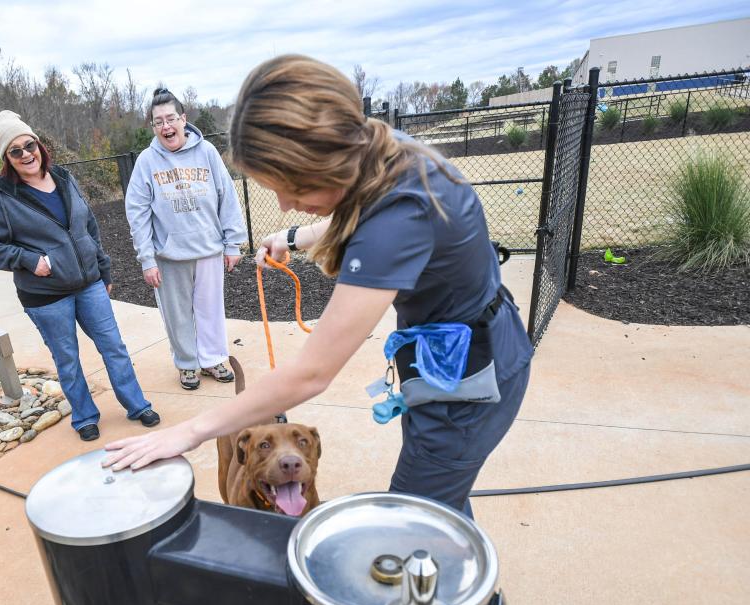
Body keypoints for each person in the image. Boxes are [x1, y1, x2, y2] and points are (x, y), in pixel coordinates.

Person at [104, 56, 533, 518]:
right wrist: (297, 238)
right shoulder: (383, 151)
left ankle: (470, 591)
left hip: (468, 387)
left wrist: (190, 432)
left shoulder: (402, 212)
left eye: (290, 185)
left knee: (416, 521)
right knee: (443, 503)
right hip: (448, 361)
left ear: (323, 158)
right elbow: (360, 211)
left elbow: (312, 373)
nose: (286, 204)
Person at [0, 110, 160, 442]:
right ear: (7, 159)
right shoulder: (3, 198)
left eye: (29, 144)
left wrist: (103, 269)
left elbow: (88, 227)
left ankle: (136, 404)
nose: (26, 154)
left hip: (89, 284)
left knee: (114, 347)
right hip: (46, 297)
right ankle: (85, 416)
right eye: (15, 151)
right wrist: (28, 259)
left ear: (39, 145)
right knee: (68, 359)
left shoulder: (63, 178)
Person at [125, 88, 248, 390]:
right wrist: (147, 259)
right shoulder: (146, 161)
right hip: (169, 255)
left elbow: (227, 198)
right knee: (177, 314)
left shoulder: (206, 153)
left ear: (183, 119)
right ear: (152, 127)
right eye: (158, 122)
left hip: (208, 249)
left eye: (170, 119)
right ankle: (187, 364)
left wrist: (233, 244)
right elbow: (137, 212)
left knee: (210, 309)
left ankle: (212, 359)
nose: (166, 127)